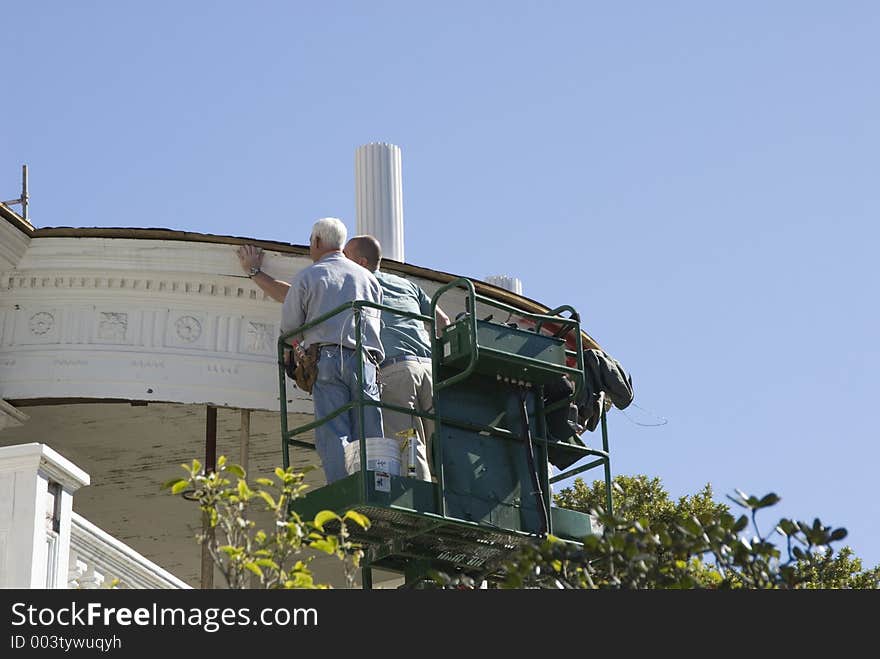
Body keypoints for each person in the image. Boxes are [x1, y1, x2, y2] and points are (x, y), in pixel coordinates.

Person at [238, 218, 385, 485]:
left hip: (328, 360)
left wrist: (293, 353)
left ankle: (343, 490)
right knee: (369, 431)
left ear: (317, 241)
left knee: (333, 429)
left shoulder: (310, 275)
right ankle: (376, 486)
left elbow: (291, 327)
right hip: (367, 362)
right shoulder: (369, 279)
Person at [343, 235, 450, 481]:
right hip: (429, 368)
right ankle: (447, 495)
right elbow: (444, 322)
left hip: (396, 371)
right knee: (439, 440)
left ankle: (417, 491)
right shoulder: (407, 285)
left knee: (407, 439)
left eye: (346, 258)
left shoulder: (358, 284)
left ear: (360, 262)